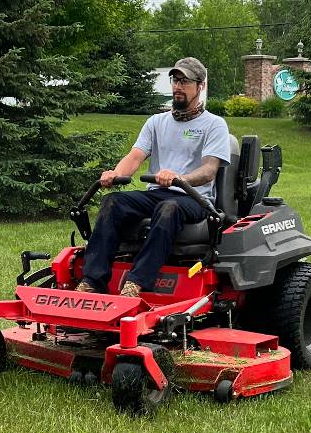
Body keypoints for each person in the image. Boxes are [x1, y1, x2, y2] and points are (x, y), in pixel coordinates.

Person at [76, 57, 231, 298]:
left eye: (185, 81)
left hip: (194, 198)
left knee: (168, 207)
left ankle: (136, 283)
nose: (178, 86)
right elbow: (135, 157)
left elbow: (209, 170)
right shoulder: (156, 122)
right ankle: (93, 280)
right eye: (175, 80)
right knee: (113, 202)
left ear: (200, 86)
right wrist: (115, 174)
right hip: (158, 194)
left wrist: (179, 177)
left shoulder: (214, 125)